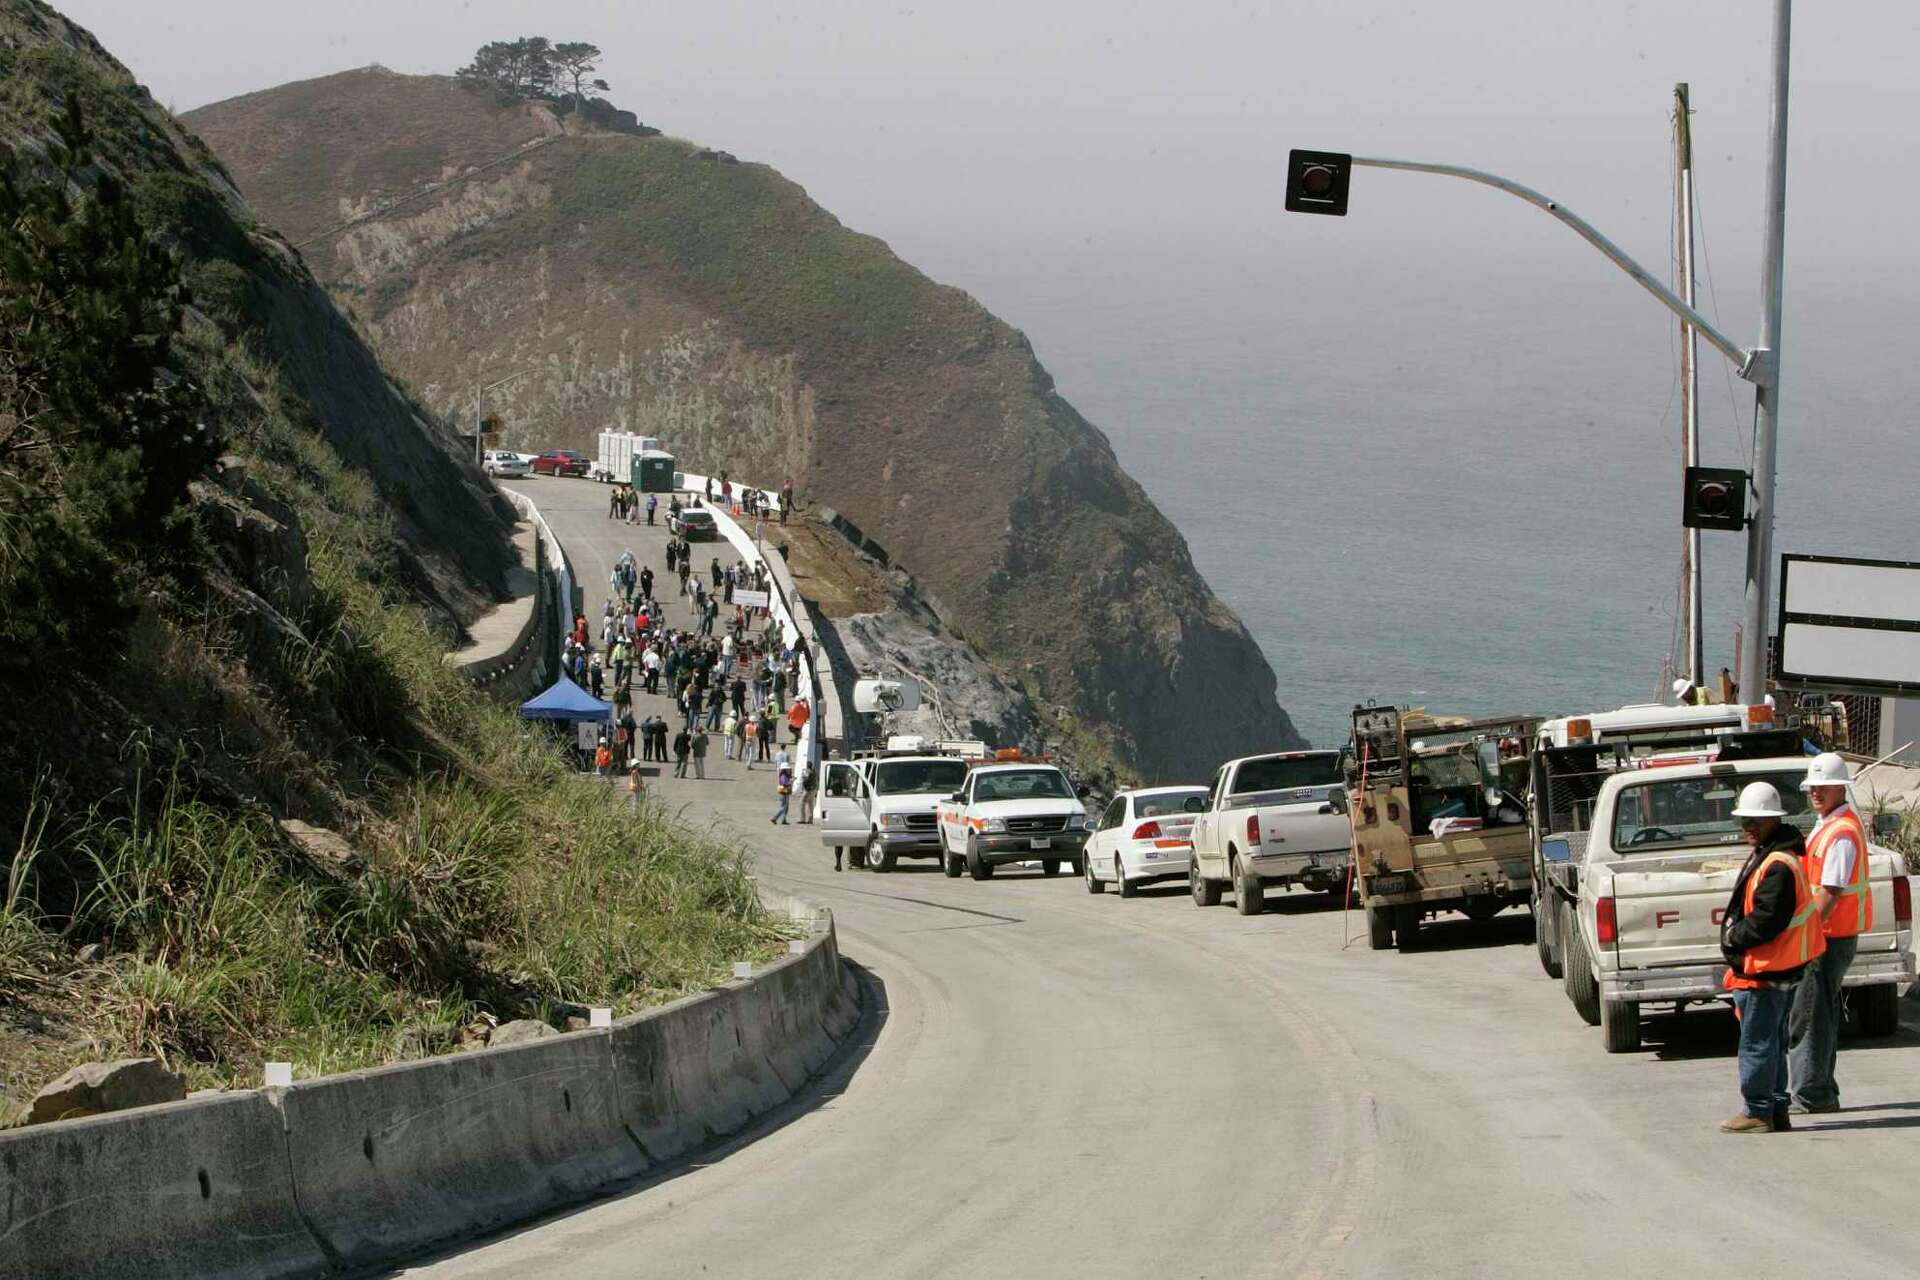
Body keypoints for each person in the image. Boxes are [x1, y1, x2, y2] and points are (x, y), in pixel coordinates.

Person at [1718, 780, 1824, 1134]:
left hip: (1766, 969)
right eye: (1745, 821)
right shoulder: (1778, 854)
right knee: (1773, 1044)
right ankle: (1776, 1109)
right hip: (1778, 968)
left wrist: (1734, 937)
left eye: (1756, 821)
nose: (1749, 827)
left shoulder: (1777, 863)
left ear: (1774, 821)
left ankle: (1758, 1110)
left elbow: (1768, 919)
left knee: (1758, 1044)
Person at [1789, 753, 1872, 1115]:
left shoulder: (1840, 832)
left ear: (1841, 788)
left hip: (1827, 936)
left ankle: (1813, 1094)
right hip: (1827, 934)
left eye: (1823, 787)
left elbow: (1831, 889)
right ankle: (1819, 1089)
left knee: (1812, 1016)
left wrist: (1804, 936)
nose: (1816, 793)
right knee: (1818, 1013)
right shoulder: (1830, 824)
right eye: (1813, 787)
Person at [770, 747, 793, 824]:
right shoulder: (783, 776)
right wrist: (790, 782)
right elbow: (784, 783)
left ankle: (783, 820)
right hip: (783, 792)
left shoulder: (784, 774)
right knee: (783, 807)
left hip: (785, 792)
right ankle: (775, 817)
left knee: (785, 807)